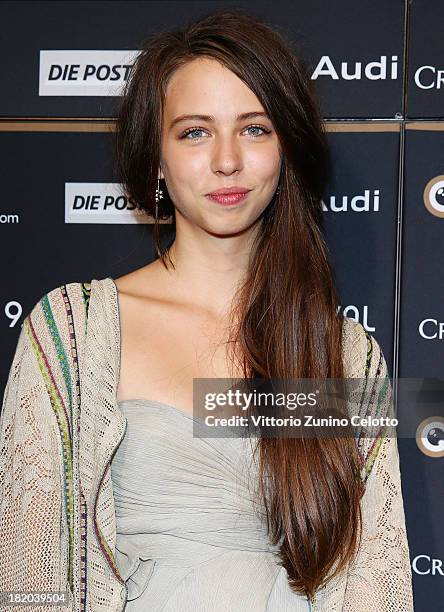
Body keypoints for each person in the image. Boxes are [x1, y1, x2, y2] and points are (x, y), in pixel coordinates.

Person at [0, 8, 413, 612]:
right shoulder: (74, 331)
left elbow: (375, 582)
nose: (226, 160)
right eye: (194, 131)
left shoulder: (345, 355)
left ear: (287, 151)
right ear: (156, 158)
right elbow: (29, 578)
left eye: (254, 128)